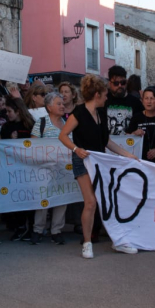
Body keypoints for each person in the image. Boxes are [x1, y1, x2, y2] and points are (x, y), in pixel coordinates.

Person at [58, 74, 138, 258]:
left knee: (109, 201)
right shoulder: (79, 112)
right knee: (91, 202)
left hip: (100, 160)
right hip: (83, 160)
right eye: (105, 94)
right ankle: (87, 243)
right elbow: (63, 135)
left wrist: (128, 155)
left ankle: (118, 240)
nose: (107, 97)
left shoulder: (101, 113)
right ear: (97, 95)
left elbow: (106, 141)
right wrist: (76, 149)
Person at [31, 93, 69, 244]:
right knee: (43, 198)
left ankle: (56, 230)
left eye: (63, 104)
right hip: (45, 169)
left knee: (62, 198)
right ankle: (38, 229)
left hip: (63, 169)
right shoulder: (41, 123)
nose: (62, 106)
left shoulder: (67, 123)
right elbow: (33, 145)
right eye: (59, 104)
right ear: (49, 107)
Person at [105, 65, 142, 135]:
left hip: (130, 141)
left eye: (123, 83)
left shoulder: (136, 102)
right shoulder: (103, 100)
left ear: (126, 82)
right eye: (116, 83)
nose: (120, 86)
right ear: (110, 83)